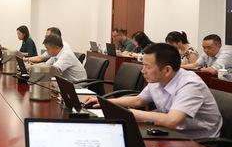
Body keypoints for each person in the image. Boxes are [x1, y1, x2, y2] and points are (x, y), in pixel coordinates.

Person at [85, 43, 222, 139]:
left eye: (147, 67)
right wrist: (105, 102)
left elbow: (172, 120)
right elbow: (138, 100)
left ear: (166, 70)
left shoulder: (190, 84)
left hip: (199, 142)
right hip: (172, 133)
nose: (142, 71)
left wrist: (129, 113)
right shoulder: (158, 79)